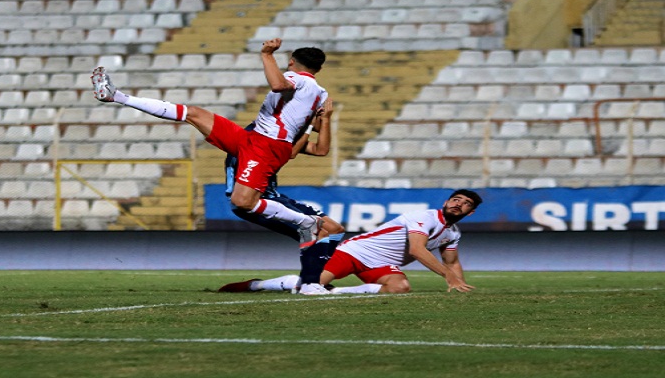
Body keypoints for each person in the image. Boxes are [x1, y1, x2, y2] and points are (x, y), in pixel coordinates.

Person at [91, 38, 329, 243]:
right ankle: (117, 96)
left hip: (267, 145)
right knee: (193, 113)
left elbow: (278, 85)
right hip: (253, 137)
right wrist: (315, 118)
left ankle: (305, 222)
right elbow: (317, 124)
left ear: (291, 62)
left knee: (242, 202)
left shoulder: (298, 79)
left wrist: (267, 54)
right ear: (319, 67)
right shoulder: (321, 93)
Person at [218, 99, 346, 293]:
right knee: (319, 231)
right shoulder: (263, 135)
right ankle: (311, 283)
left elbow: (321, 150)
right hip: (254, 199)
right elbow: (289, 154)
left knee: (334, 229)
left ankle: (312, 280)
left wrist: (325, 120)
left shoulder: (281, 132)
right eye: (318, 116)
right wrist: (312, 124)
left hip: (272, 195)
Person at [297, 189, 483, 295]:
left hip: (383, 265)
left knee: (400, 287)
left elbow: (451, 262)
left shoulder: (453, 233)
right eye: (455, 200)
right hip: (355, 252)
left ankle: (336, 291)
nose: (458, 204)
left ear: (471, 212)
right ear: (445, 202)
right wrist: (448, 276)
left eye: (466, 203)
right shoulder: (424, 217)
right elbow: (417, 250)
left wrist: (460, 284)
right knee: (309, 287)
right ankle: (267, 285)